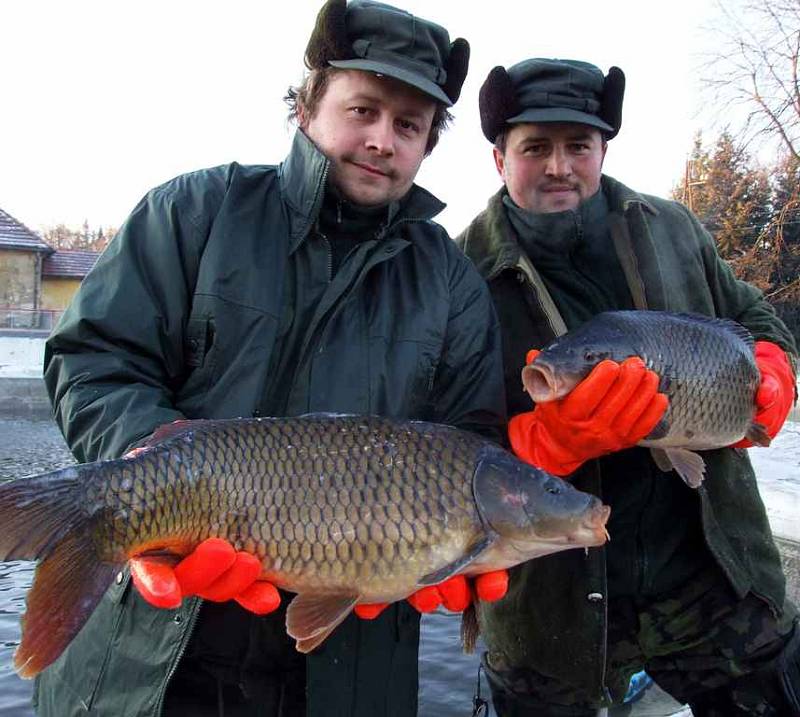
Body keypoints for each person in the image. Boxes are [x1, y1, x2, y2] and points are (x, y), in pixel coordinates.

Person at [37, 2, 509, 715]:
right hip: (154, 648)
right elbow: (96, 357)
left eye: (408, 125)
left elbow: (476, 435)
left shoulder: (450, 282)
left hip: (351, 663)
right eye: (364, 110)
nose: (383, 140)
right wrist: (154, 474)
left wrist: (465, 543)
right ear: (308, 107)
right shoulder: (195, 210)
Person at [457, 57, 800, 716]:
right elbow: (439, 434)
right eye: (535, 147)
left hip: (709, 569)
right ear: (499, 158)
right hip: (549, 602)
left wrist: (776, 369)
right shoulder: (459, 273)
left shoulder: (670, 226)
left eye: (578, 145)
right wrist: (537, 446)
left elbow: (754, 317)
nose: (560, 165)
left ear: (602, 149)